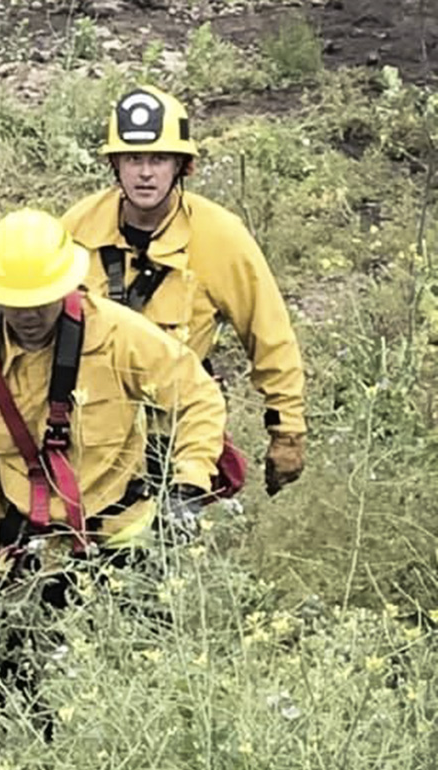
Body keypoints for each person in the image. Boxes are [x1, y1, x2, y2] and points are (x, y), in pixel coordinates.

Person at [61, 85, 307, 496]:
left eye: (158, 159)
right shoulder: (77, 228)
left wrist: (287, 432)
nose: (145, 172)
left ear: (182, 166)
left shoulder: (219, 237)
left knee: (166, 544)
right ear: (114, 164)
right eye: (133, 158)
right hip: (87, 429)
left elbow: (270, 336)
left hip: (175, 428)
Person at [0, 208, 227, 558]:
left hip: (122, 534)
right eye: (16, 303)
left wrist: (188, 486)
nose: (29, 315)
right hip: (32, 548)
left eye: (41, 300)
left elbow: (197, 395)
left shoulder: (117, 333)